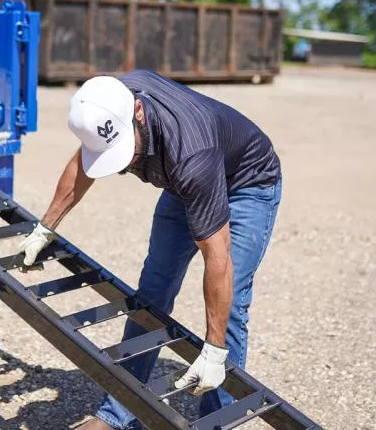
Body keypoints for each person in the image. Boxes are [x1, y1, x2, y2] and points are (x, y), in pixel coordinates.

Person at [17, 69, 282, 429]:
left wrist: (214, 348)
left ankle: (216, 420)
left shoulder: (193, 154)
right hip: (181, 182)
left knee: (231, 304)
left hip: (245, 184)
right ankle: (116, 414)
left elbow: (217, 256)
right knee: (154, 290)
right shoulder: (106, 101)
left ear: (138, 113)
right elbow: (83, 163)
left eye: (125, 149)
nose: (124, 163)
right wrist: (44, 228)